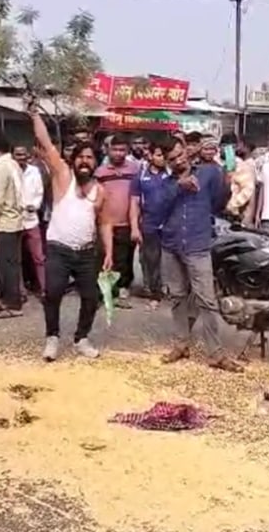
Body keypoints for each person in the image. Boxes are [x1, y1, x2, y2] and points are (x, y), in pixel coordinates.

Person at [29, 106, 113, 362]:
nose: (84, 161)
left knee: (92, 297)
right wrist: (34, 116)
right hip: (59, 249)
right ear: (73, 160)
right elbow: (45, 141)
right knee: (52, 292)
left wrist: (109, 252)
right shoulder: (64, 176)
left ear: (96, 162)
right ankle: (52, 338)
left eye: (90, 158)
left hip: (86, 253)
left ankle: (81, 339)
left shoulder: (100, 191)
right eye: (80, 157)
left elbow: (105, 224)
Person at [153, 140, 241, 372]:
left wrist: (228, 183)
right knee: (178, 298)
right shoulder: (165, 183)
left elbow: (218, 204)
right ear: (167, 162)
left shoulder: (209, 173)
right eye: (172, 159)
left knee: (207, 300)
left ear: (188, 152)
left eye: (181, 154)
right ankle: (182, 344)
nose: (179, 160)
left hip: (198, 244)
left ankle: (216, 354)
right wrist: (178, 187)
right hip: (171, 245)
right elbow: (156, 209)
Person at [95, 134, 141, 307]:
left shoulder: (135, 170)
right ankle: (105, 292)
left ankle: (122, 288)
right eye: (115, 149)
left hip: (127, 222)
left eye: (122, 150)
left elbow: (137, 197)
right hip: (106, 223)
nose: (118, 153)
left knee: (124, 258)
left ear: (127, 151)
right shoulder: (100, 172)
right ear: (108, 150)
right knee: (105, 257)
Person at [0, 136, 25, 319]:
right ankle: (7, 300)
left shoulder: (1, 167)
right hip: (15, 220)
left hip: (5, 222)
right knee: (8, 263)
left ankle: (14, 304)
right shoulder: (14, 164)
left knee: (7, 265)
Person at [131, 143, 169, 306]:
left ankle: (161, 288)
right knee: (149, 258)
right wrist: (134, 227)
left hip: (168, 225)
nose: (162, 159)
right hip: (148, 224)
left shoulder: (170, 174)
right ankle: (150, 287)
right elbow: (134, 202)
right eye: (159, 155)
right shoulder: (140, 176)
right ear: (151, 156)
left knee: (166, 259)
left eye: (164, 155)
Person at [13, 145, 46, 296]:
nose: (21, 157)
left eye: (23, 154)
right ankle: (20, 291)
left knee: (38, 257)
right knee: (17, 259)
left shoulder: (34, 171)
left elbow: (39, 191)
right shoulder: (10, 171)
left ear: (28, 155)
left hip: (32, 218)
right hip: (14, 219)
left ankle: (44, 289)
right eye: (17, 155)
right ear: (13, 156)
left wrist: (35, 205)